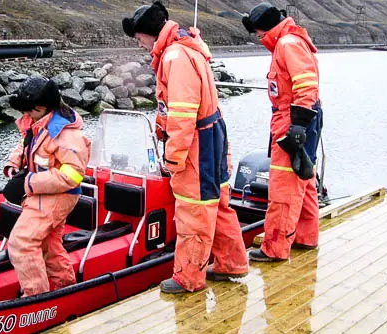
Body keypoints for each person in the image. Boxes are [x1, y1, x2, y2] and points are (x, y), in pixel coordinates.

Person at [122, 1, 248, 294]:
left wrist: (173, 157)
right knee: (218, 205)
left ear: (148, 33)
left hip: (196, 145)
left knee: (194, 210)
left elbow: (181, 115)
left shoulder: (175, 57)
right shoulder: (188, 47)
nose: (139, 44)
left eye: (139, 38)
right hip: (212, 136)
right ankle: (232, 263)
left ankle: (189, 278)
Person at [241, 2, 324, 262]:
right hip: (298, 115)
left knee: (284, 187)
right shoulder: (290, 41)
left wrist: (298, 125)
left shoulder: (287, 44)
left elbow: (305, 83)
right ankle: (305, 236)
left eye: (258, 33)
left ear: (265, 28)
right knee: (304, 178)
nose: (258, 38)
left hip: (293, 118)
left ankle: (275, 248)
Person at [3, 77, 91, 297]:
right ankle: (66, 290)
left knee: (22, 243)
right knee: (49, 245)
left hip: (58, 196)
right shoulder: (40, 124)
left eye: (28, 111)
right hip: (42, 192)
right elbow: (27, 145)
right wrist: (14, 163)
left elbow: (72, 176)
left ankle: (35, 300)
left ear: (40, 108)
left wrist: (28, 183)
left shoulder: (67, 135)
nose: (25, 116)